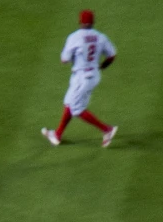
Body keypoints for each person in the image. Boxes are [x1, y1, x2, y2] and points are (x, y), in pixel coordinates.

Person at [42, 9, 117, 148]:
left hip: (82, 78)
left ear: (80, 22)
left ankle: (107, 130)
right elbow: (112, 55)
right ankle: (57, 135)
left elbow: (64, 59)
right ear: (93, 22)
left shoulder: (74, 37)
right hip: (93, 75)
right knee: (69, 103)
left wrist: (72, 57)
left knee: (77, 109)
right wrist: (102, 66)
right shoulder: (101, 37)